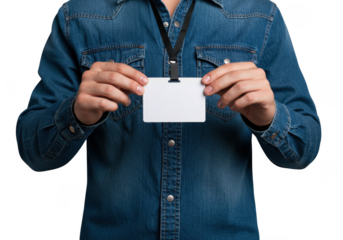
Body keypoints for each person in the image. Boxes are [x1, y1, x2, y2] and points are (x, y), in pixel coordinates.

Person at [15, 0, 322, 239]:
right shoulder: (78, 14)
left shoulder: (260, 14)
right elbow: (34, 154)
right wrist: (76, 113)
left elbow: (303, 151)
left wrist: (269, 120)